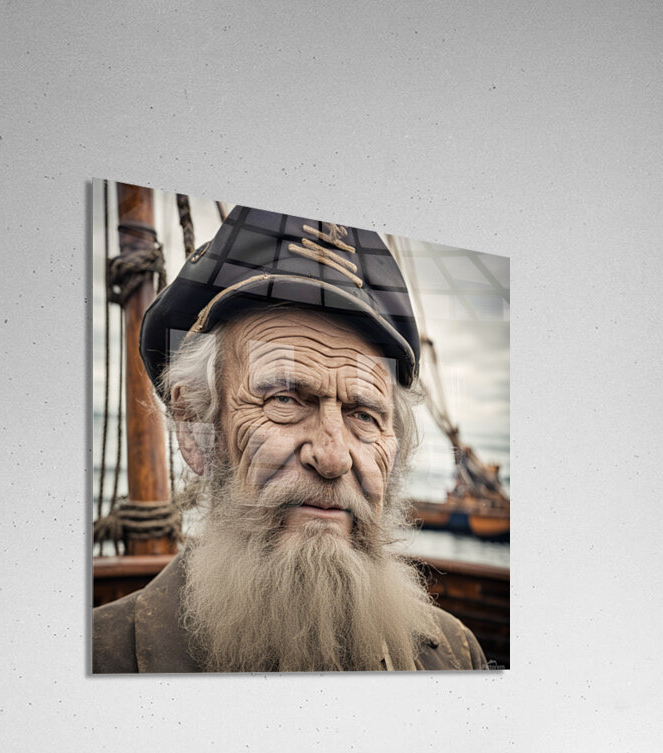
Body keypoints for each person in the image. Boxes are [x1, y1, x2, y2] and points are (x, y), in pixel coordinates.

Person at [93, 205, 488, 672]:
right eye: (285, 400)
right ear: (195, 428)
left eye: (364, 415)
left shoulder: (456, 657)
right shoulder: (102, 658)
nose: (333, 455)